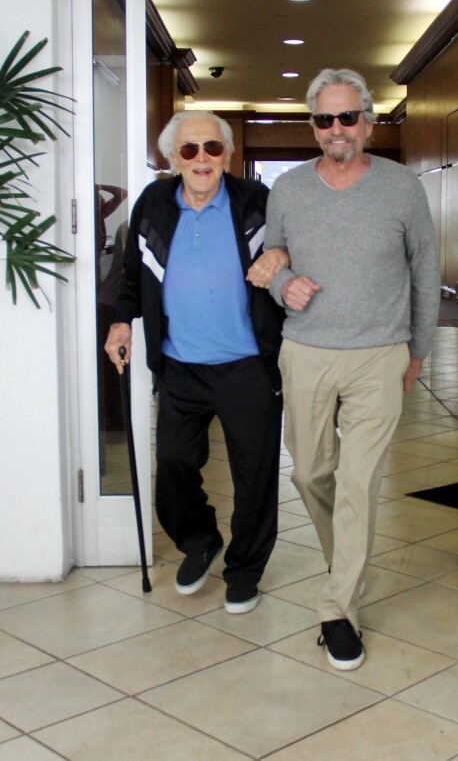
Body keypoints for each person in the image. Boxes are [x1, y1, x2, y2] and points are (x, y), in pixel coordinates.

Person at [248, 68, 440, 668]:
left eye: (348, 117)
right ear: (313, 126)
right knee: (309, 473)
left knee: (358, 483)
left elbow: (425, 270)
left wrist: (418, 350)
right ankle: (347, 560)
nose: (337, 129)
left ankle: (338, 611)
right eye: (325, 119)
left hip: (380, 353)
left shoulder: (403, 187)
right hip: (305, 351)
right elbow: (267, 257)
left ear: (368, 121)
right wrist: (284, 285)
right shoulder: (290, 189)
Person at [105, 110, 287, 614]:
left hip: (247, 365)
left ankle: (245, 569)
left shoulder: (256, 202)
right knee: (173, 464)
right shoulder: (153, 204)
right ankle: (199, 539)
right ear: (173, 159)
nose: (201, 159)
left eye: (212, 148)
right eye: (189, 150)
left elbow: (292, 250)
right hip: (180, 365)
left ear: (228, 154)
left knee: (255, 475)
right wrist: (123, 321)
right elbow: (132, 275)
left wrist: (284, 254)